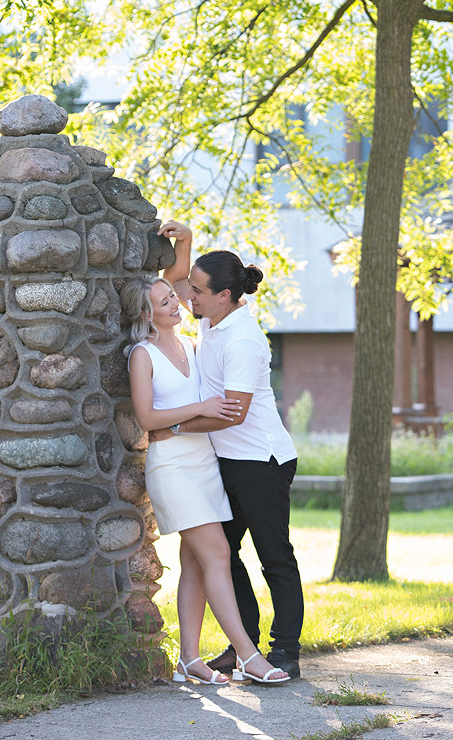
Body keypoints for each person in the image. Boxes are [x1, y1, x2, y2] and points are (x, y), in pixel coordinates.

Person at [121, 274, 290, 686]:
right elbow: (146, 419)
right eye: (165, 303)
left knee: (195, 564)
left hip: (205, 463)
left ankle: (189, 659)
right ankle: (248, 655)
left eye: (174, 298)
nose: (177, 304)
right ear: (147, 315)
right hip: (173, 469)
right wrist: (199, 408)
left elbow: (182, 279)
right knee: (217, 554)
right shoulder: (142, 356)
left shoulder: (193, 344)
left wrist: (188, 241)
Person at [157, 222, 304, 681]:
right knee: (222, 554)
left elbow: (233, 414)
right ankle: (245, 646)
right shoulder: (210, 318)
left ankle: (285, 652)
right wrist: (186, 240)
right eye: (192, 292)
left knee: (273, 555)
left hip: (261, 461)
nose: (189, 298)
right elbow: (175, 281)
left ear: (224, 295)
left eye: (199, 292)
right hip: (228, 462)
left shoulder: (241, 338)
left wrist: (174, 424)